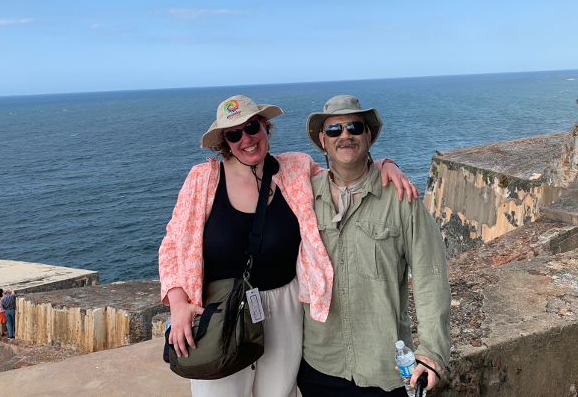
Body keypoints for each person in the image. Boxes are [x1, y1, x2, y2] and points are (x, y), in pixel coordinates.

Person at [159, 95, 418, 397]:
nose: (247, 139)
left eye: (252, 127)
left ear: (265, 126)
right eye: (234, 134)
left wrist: (384, 164)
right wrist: (178, 304)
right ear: (224, 142)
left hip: (285, 309)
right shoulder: (202, 179)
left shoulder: (295, 169)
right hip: (220, 311)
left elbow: (344, 177)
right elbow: (172, 245)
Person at [297, 95, 451, 396]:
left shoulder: (401, 198)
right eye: (334, 130)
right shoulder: (302, 194)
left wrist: (432, 351)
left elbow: (430, 274)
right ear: (322, 140)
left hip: (385, 369)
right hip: (318, 364)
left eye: (355, 127)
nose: (345, 135)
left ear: (368, 136)